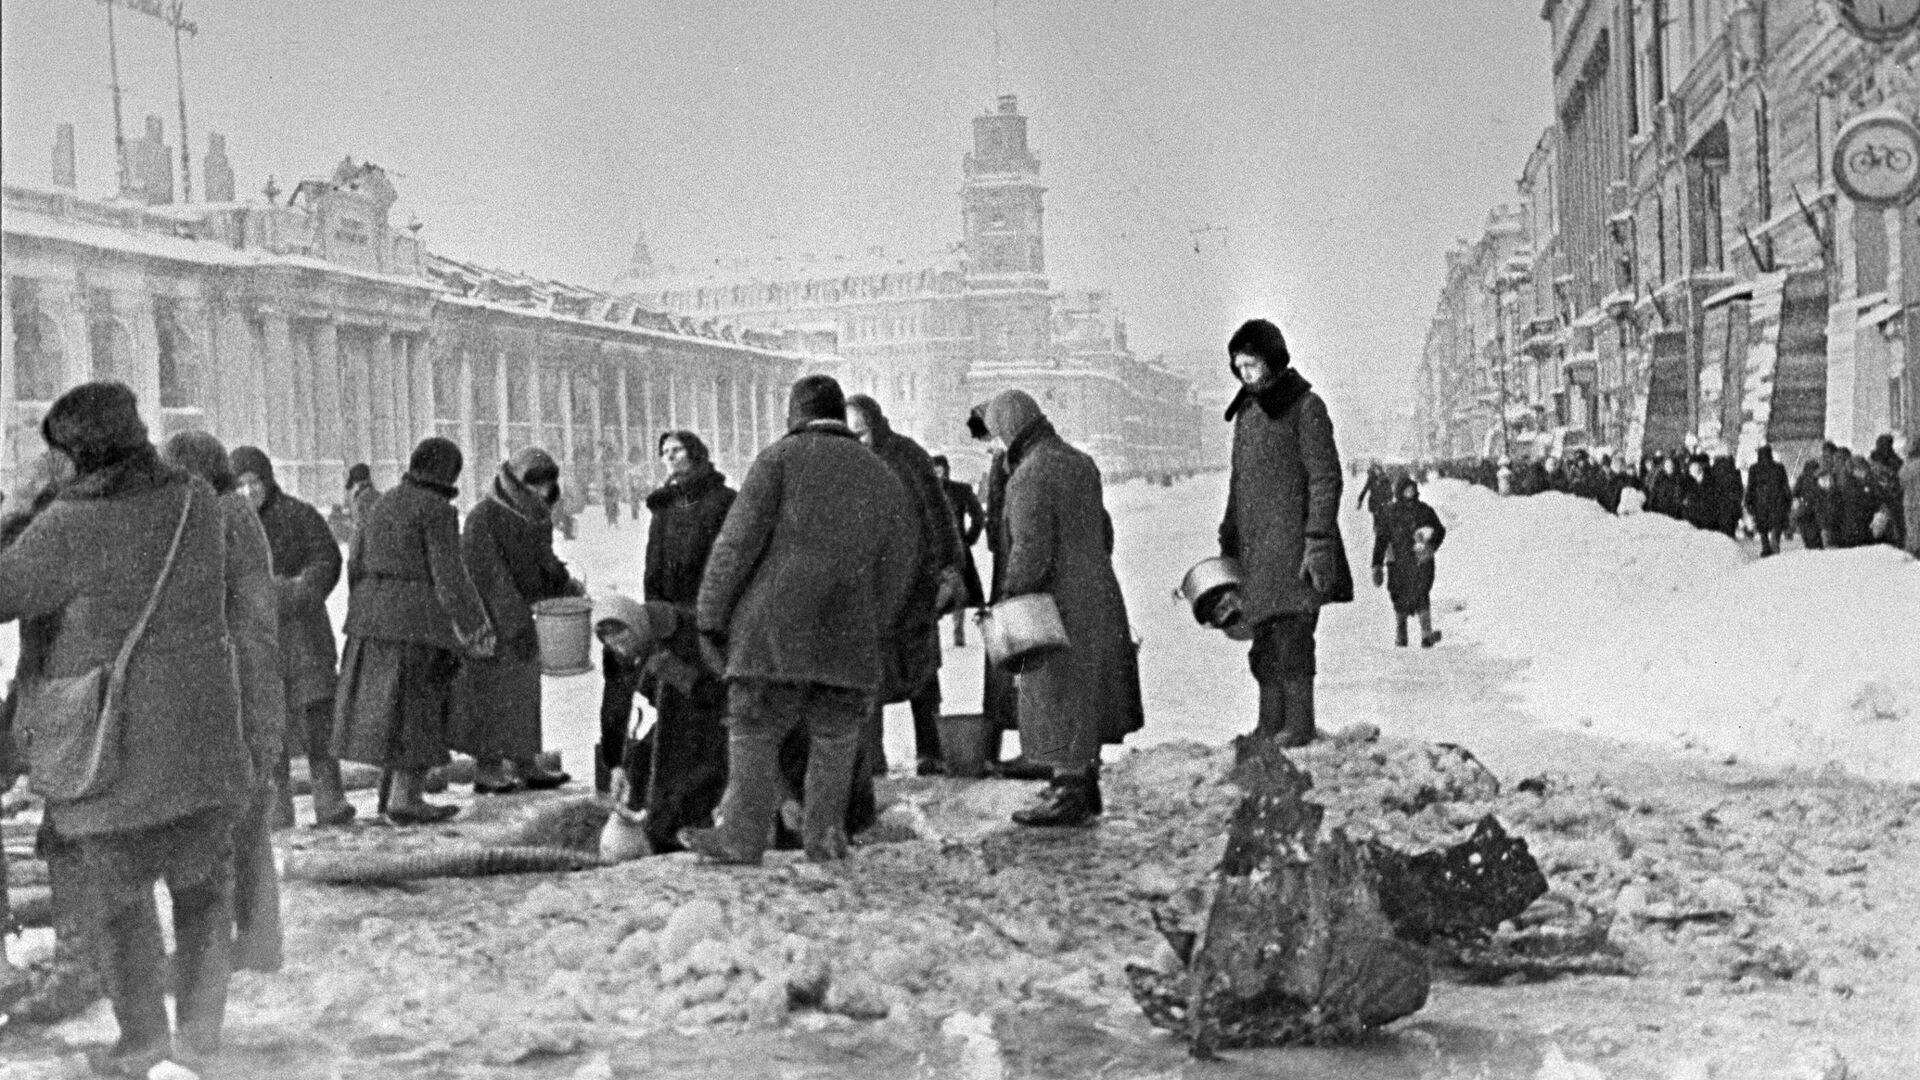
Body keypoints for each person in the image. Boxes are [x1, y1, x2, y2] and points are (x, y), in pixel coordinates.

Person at [0, 382, 254, 1074]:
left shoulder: (70, 524)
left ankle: (144, 1043)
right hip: (202, 739)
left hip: (111, 750)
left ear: (76, 452)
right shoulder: (195, 502)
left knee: (121, 905)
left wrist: (22, 506)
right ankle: (201, 1043)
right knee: (203, 895)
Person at [682, 374, 916, 864]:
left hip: (772, 627)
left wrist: (710, 617)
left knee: (754, 726)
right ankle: (825, 835)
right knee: (834, 736)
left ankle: (742, 837)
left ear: (796, 413)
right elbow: (900, 562)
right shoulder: (880, 474)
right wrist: (874, 621)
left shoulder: (779, 460)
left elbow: (736, 545)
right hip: (849, 632)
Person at [981, 389, 1145, 826]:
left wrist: (1010, 597)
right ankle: (1085, 784)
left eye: (997, 435)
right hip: (1097, 592)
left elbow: (1031, 549)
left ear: (1010, 429)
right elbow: (1104, 530)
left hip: (1056, 602)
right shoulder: (1079, 462)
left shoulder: (1029, 474)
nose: (996, 446)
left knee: (1056, 692)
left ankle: (1067, 790)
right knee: (1084, 691)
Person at [162, 433, 289, 975]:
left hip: (239, 685)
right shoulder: (233, 513)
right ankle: (258, 940)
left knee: (231, 823)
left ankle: (238, 947)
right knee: (245, 821)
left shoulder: (219, 519)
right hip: (248, 680)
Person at [334, 436, 496, 825]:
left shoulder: (382, 502)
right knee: (416, 710)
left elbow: (354, 562)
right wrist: (477, 627)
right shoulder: (437, 510)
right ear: (449, 473)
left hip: (371, 620)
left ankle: (388, 796)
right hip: (416, 625)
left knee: (389, 712)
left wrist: (363, 611)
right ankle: (406, 800)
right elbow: (450, 577)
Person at [1, 449, 107, 1026]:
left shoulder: (67, 534)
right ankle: (92, 959)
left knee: (73, 833)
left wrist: (16, 515)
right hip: (67, 696)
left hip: (80, 701)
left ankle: (83, 964)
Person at [1214, 319, 1354, 748]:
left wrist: (1317, 540)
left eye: (1251, 364)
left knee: (1293, 638)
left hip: (1295, 550)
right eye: (1238, 366)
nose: (1245, 374)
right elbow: (1240, 482)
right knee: (1263, 643)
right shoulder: (1247, 413)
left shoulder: (1305, 406)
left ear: (1272, 361)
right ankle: (1268, 721)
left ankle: (1299, 723)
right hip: (1256, 552)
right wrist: (1228, 534)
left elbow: (1325, 479)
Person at [228, 445, 355, 830]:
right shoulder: (229, 526)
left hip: (304, 638)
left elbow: (327, 559)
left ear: (268, 480)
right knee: (270, 731)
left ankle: (330, 802)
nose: (250, 492)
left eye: (255, 482)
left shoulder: (298, 515)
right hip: (257, 644)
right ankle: (276, 811)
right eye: (241, 484)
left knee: (318, 720)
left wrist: (298, 590)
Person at [845, 394, 966, 777]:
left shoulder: (908, 456)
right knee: (870, 677)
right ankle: (872, 759)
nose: (858, 441)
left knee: (922, 673)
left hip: (915, 583)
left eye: (862, 433)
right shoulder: (847, 463)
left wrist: (948, 564)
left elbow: (938, 513)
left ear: (876, 425)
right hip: (870, 587)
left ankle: (931, 752)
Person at [451, 447, 582, 794]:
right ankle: (488, 768)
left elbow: (543, 562)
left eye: (548, 483)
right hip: (491, 623)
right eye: (534, 483)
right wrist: (512, 621)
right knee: (489, 697)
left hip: (523, 617)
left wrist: (563, 583)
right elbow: (488, 576)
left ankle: (525, 761)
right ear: (515, 482)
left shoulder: (537, 516)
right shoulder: (484, 516)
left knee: (524, 695)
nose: (543, 490)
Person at [593, 594, 728, 854]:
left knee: (689, 789)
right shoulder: (619, 650)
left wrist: (682, 677)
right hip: (655, 733)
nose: (621, 650)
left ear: (638, 629)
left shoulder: (690, 636)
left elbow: (723, 696)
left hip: (698, 732)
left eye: (624, 642)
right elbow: (616, 706)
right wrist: (617, 764)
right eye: (613, 646)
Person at [966, 403, 1032, 776]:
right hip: (1004, 576)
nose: (988, 450)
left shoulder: (1018, 467)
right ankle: (997, 747)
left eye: (990, 441)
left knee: (1024, 665)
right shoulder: (1002, 465)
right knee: (1007, 666)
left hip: (1016, 580)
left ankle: (1036, 746)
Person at [1370, 475, 1447, 648]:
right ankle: (1401, 631)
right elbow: (1381, 540)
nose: (1409, 492)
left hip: (1421, 562)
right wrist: (1376, 564)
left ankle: (1426, 633)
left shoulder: (1424, 510)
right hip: (1397, 563)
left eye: (1412, 488)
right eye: (1406, 489)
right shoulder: (1389, 512)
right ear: (1398, 491)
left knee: (1422, 593)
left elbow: (1440, 530)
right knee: (1398, 595)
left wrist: (1431, 547)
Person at [931, 455, 987, 647]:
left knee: (954, 589)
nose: (938, 476)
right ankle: (952, 630)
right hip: (949, 549)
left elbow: (978, 517)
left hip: (947, 550)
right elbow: (978, 517)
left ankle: (954, 631)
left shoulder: (934, 492)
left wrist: (970, 538)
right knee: (955, 589)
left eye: (940, 472)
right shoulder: (956, 491)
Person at [1745, 446, 1792, 556]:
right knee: (1777, 524)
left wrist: (1748, 502)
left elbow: (1750, 487)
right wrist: (1788, 501)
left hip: (1760, 503)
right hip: (1777, 503)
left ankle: (1766, 547)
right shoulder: (1779, 468)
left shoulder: (1754, 469)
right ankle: (1775, 543)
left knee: (1763, 528)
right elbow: (1785, 486)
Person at [345, 462, 380, 544]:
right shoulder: (375, 495)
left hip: (366, 543)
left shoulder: (363, 497)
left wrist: (352, 525)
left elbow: (362, 524)